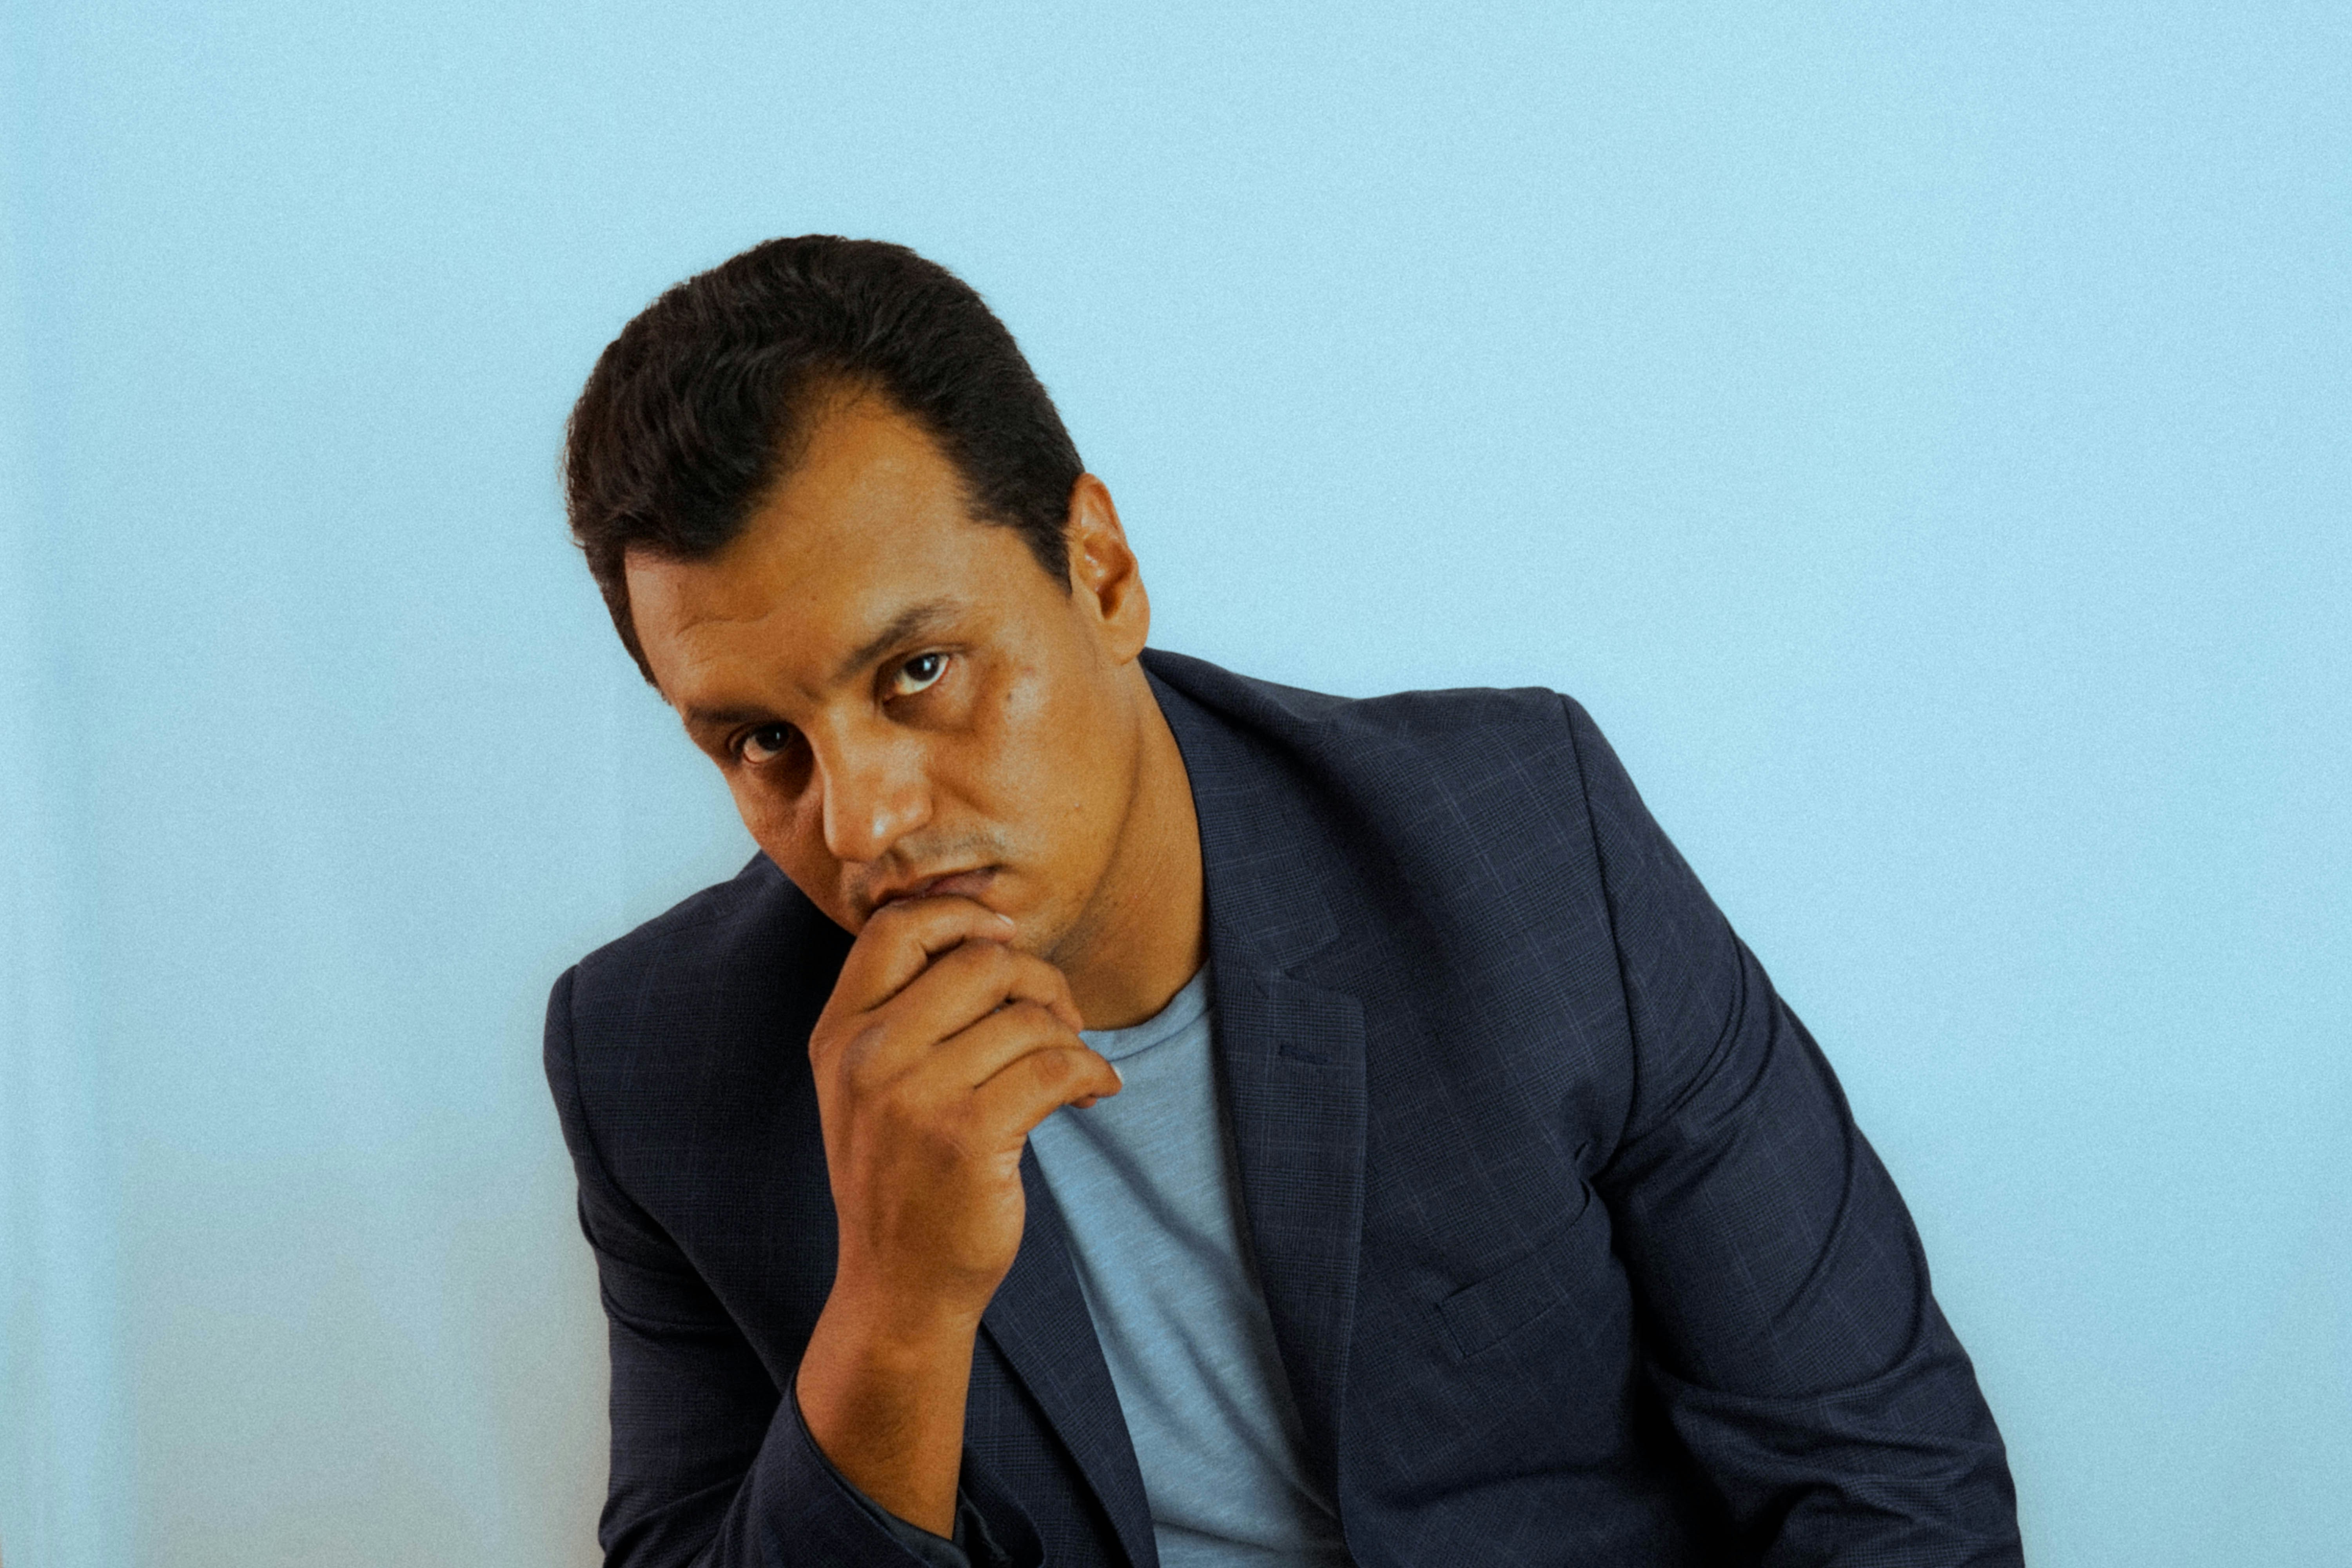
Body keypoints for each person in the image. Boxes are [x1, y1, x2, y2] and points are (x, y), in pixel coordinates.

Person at [544, 235, 2022, 1568]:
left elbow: (1882, 1478)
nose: (864, 820)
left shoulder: (1518, 845)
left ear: (1104, 574)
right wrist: (897, 1313)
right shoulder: (656, 1064)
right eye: (762, 744)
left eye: (919, 672)